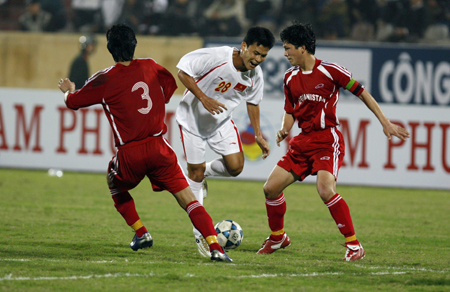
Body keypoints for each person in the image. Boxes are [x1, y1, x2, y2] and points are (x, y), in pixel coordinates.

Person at [58, 23, 232, 262]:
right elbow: (169, 86)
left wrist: (68, 90)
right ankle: (216, 247)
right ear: (134, 45)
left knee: (115, 184)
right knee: (188, 200)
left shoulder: (105, 78)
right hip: (160, 148)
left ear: (110, 49)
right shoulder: (151, 66)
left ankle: (141, 232)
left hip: (131, 153)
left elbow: (73, 102)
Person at [256, 22, 410, 261]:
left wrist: (385, 122)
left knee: (325, 190)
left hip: (327, 140)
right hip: (302, 141)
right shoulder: (289, 77)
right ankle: (278, 237)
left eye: (288, 48)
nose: (285, 53)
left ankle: (354, 245)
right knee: (270, 188)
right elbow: (290, 110)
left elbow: (363, 93)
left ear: (302, 48)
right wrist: (284, 129)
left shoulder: (330, 71)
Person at [175, 26, 275, 257]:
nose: (258, 59)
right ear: (244, 47)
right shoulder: (216, 57)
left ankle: (204, 173)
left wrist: (258, 135)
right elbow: (182, 71)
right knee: (195, 173)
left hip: (220, 123)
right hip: (192, 121)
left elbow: (253, 103)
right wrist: (203, 98)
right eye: (255, 53)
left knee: (236, 167)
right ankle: (200, 233)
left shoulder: (255, 76)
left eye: (263, 56)